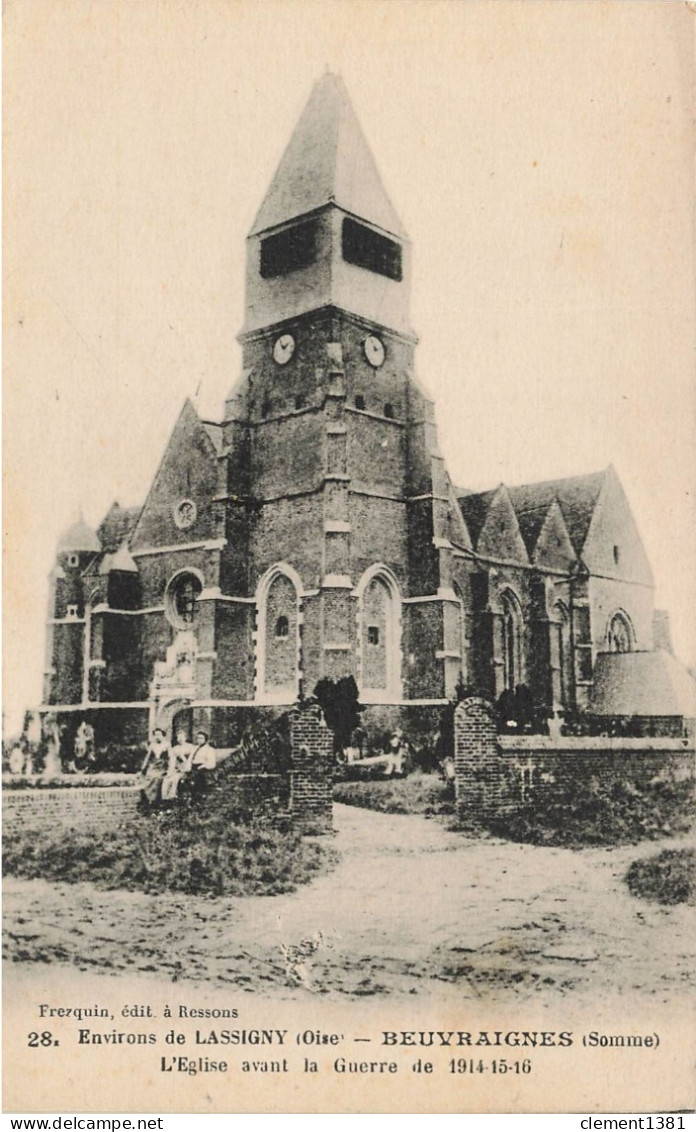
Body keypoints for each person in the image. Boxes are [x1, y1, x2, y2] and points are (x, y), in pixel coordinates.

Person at [139, 727, 169, 811]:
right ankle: (149, 800)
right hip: (154, 766)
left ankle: (157, 802)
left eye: (159, 734)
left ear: (163, 735)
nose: (157, 737)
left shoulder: (167, 744)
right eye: (155, 735)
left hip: (163, 766)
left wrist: (170, 769)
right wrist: (143, 768)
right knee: (149, 778)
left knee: (158, 779)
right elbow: (147, 757)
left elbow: (171, 757)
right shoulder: (153, 745)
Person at [161, 727, 194, 802]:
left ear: (185, 738)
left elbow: (191, 760)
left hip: (187, 769)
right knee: (167, 779)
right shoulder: (175, 748)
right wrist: (170, 771)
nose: (180, 739)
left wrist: (184, 760)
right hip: (177, 769)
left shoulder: (191, 747)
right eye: (178, 738)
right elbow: (172, 761)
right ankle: (165, 798)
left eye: (182, 737)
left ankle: (173, 797)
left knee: (175, 779)